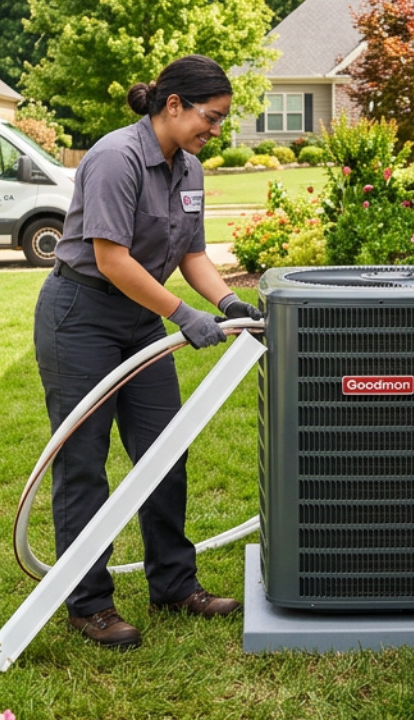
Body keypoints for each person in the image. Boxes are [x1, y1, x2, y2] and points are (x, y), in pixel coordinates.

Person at [33, 54, 262, 650]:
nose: (215, 131)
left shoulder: (188, 169)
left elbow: (192, 255)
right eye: (209, 119)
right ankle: (89, 604)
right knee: (84, 462)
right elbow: (111, 259)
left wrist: (229, 303)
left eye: (220, 121)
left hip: (139, 322)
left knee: (165, 451)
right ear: (173, 105)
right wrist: (183, 315)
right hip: (81, 317)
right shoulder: (115, 157)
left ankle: (174, 584)